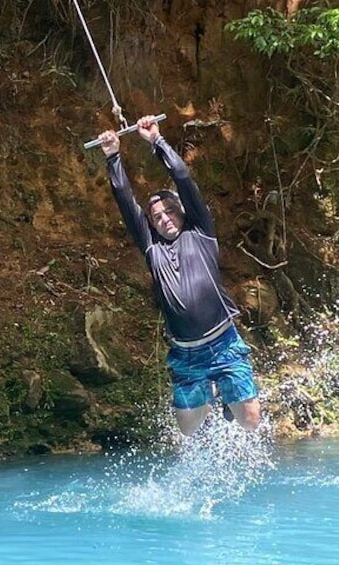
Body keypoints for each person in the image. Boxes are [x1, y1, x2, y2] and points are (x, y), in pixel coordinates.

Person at [97, 116, 260, 435]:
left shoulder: (200, 230)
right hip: (185, 350)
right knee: (188, 430)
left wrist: (157, 141)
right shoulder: (150, 247)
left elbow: (183, 178)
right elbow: (124, 200)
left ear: (182, 212)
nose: (164, 219)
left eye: (170, 211)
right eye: (156, 216)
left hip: (224, 341)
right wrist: (113, 155)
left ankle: (228, 398)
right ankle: (211, 397)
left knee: (250, 421)